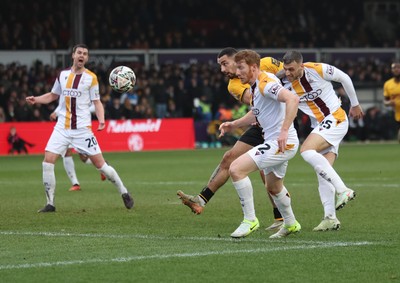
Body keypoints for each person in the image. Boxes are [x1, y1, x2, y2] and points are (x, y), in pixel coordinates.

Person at [177, 47, 286, 231]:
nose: (222, 70)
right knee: (229, 157)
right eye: (220, 66)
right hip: (260, 123)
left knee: (266, 172)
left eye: (224, 64)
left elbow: (290, 71)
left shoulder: (265, 63)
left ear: (238, 61)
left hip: (278, 123)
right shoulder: (234, 85)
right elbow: (256, 100)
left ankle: (281, 218)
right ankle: (201, 200)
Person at [26, 43, 134, 213]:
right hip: (62, 127)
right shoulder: (62, 75)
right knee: (48, 161)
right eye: (79, 53)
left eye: (85, 53)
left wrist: (101, 120)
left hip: (82, 130)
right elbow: (53, 95)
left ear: (87, 58)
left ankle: (124, 192)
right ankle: (50, 203)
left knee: (101, 166)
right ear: (73, 55)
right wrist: (37, 99)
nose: (82, 55)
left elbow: (97, 102)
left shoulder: (91, 78)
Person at [219, 49, 301, 238]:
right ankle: (290, 223)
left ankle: (250, 220)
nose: (237, 72)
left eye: (241, 67)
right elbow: (256, 112)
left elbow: (292, 99)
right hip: (278, 142)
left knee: (236, 169)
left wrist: (284, 130)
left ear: (253, 67)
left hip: (281, 142)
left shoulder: (265, 83)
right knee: (273, 187)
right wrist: (234, 124)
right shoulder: (256, 86)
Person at [281, 50, 364, 231]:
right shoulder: (283, 85)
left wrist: (355, 103)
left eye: (292, 69)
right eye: (286, 69)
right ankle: (330, 218)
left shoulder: (317, 69)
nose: (288, 73)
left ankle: (343, 190)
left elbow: (345, 78)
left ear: (301, 66)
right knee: (323, 172)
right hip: (321, 126)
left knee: (306, 150)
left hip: (335, 118)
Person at [50, 107, 107, 192]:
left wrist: (87, 110)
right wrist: (56, 112)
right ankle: (75, 184)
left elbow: (94, 105)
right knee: (67, 152)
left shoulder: (87, 95)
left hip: (81, 127)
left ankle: (103, 165)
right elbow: (64, 103)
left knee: (83, 158)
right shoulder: (69, 95)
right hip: (66, 127)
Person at [383, 60, 400, 142]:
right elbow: (385, 101)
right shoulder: (388, 84)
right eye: (394, 68)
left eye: (398, 67)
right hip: (397, 115)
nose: (396, 69)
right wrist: (389, 103)